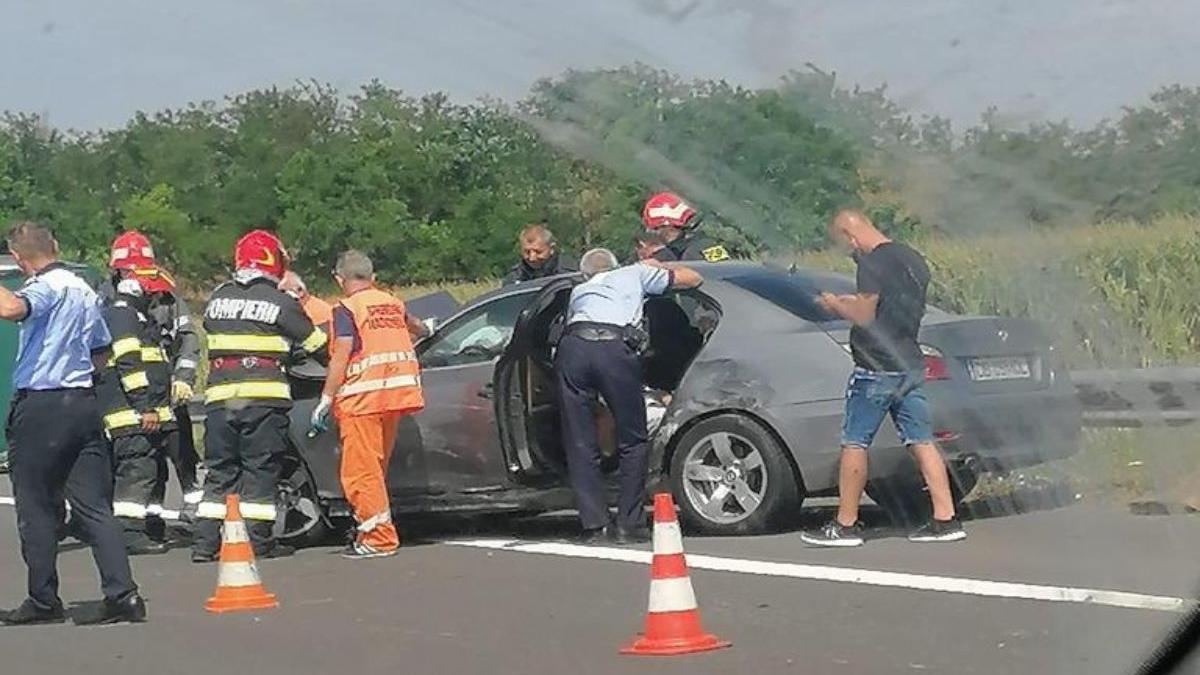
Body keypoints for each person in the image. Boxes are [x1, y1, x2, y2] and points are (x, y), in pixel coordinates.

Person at [0, 221, 145, 625]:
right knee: (95, 506)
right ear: (56, 244)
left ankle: (44, 599)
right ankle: (123, 594)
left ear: (18, 258)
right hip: (82, 401)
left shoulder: (44, 286)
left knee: (37, 506)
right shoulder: (83, 287)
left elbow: (13, 309)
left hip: (42, 404)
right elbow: (101, 351)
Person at [800, 209, 965, 547]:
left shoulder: (871, 263)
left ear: (850, 235)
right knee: (921, 439)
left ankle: (845, 524)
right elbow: (891, 304)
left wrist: (834, 304)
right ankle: (945, 518)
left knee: (855, 441)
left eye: (845, 244)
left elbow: (864, 314)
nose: (849, 252)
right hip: (910, 363)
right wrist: (853, 301)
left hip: (876, 367)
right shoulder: (912, 258)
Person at [192, 230, 329, 563]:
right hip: (262, 399)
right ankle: (259, 542)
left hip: (221, 398)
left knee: (220, 471)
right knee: (260, 470)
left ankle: (205, 544)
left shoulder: (218, 298)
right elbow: (316, 345)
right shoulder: (280, 300)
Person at [556, 248, 702, 544]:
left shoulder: (579, 290)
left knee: (581, 441)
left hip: (573, 349)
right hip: (613, 349)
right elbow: (693, 278)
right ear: (615, 265)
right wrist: (657, 266)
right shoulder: (634, 273)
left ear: (586, 273)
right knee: (633, 439)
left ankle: (595, 526)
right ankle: (629, 523)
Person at [309, 250, 430, 559]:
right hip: (394, 397)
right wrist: (430, 329)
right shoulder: (392, 302)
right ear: (372, 277)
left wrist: (325, 399)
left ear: (340, 279)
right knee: (375, 470)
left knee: (361, 473)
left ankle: (378, 538)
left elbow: (341, 355)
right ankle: (372, 530)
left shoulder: (346, 309)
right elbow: (418, 327)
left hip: (361, 400)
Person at [107, 231, 204, 528]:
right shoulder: (110, 300)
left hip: (169, 391)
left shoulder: (166, 296)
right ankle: (140, 525)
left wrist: (184, 376)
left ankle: (194, 509)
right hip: (132, 395)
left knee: (182, 452)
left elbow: (187, 338)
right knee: (141, 461)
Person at [98, 270, 176, 555]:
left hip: (139, 412)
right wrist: (145, 407)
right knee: (137, 470)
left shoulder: (131, 316)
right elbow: (129, 364)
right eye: (153, 295)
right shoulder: (124, 316)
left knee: (150, 471)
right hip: (131, 415)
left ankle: (147, 526)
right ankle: (128, 533)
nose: (156, 301)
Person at [640, 191, 730, 263]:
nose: (655, 234)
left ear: (667, 227)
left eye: (655, 229)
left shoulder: (689, 254)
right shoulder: (707, 245)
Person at [502, 224, 577, 285]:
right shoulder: (514, 277)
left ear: (551, 249)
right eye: (527, 252)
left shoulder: (569, 274)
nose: (532, 258)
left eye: (538, 252)